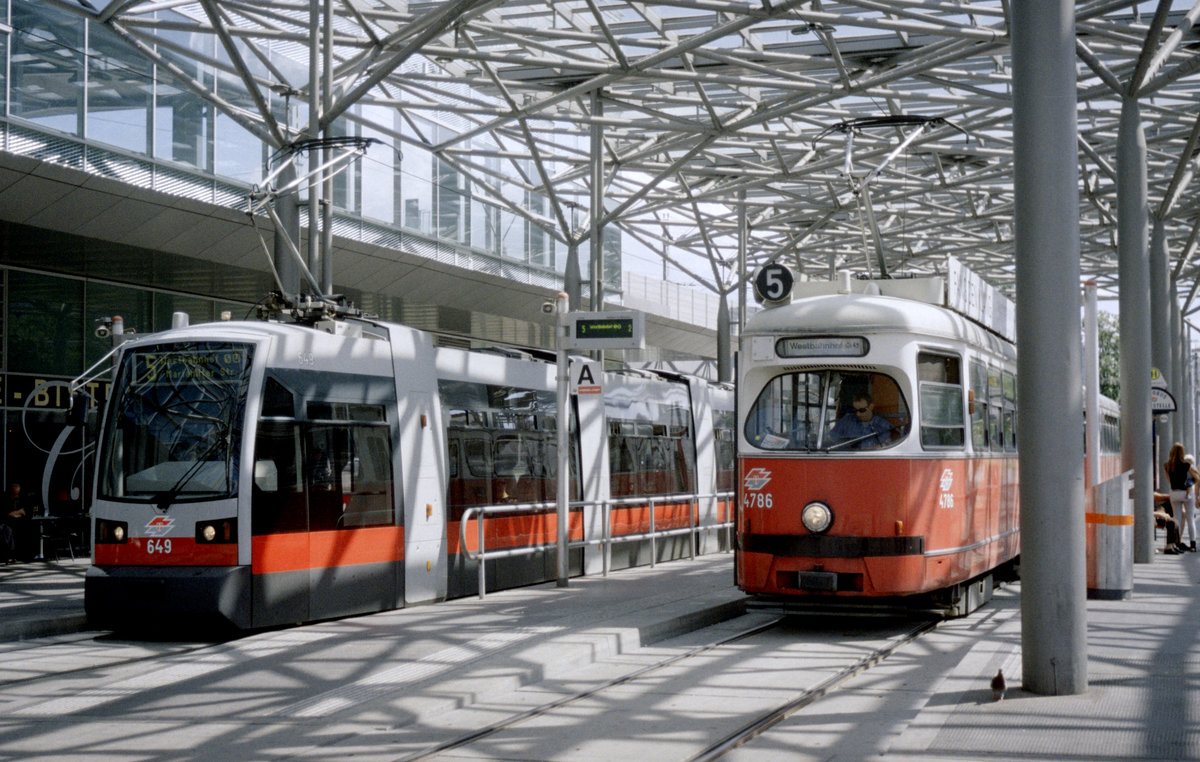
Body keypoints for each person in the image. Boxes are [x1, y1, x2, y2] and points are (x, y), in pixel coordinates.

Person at [1163, 443, 1198, 552]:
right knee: (1190, 518)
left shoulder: (1167, 465)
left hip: (1174, 493)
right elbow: (1197, 478)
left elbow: (1169, 480)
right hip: (1186, 493)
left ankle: (1176, 543)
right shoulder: (1186, 465)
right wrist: (1190, 483)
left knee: (1176, 519)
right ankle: (1193, 545)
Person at [829, 393, 893, 449]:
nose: (858, 414)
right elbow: (831, 438)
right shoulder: (847, 420)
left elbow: (884, 446)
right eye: (855, 410)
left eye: (862, 410)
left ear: (871, 407)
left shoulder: (882, 425)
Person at [1, 483, 35, 562]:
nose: (16, 496)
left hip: (19, 522)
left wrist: (16, 513)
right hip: (7, 522)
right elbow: (7, 514)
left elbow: (25, 513)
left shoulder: (21, 500)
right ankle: (10, 554)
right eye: (14, 494)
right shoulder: (5, 500)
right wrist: (18, 512)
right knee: (8, 530)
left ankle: (24, 555)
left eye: (17, 494)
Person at [1154, 490, 1186, 554]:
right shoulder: (1139, 492)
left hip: (1154, 511)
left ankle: (1173, 544)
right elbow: (1156, 496)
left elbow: (1157, 496)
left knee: (1173, 518)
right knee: (1172, 522)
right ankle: (1170, 546)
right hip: (1149, 516)